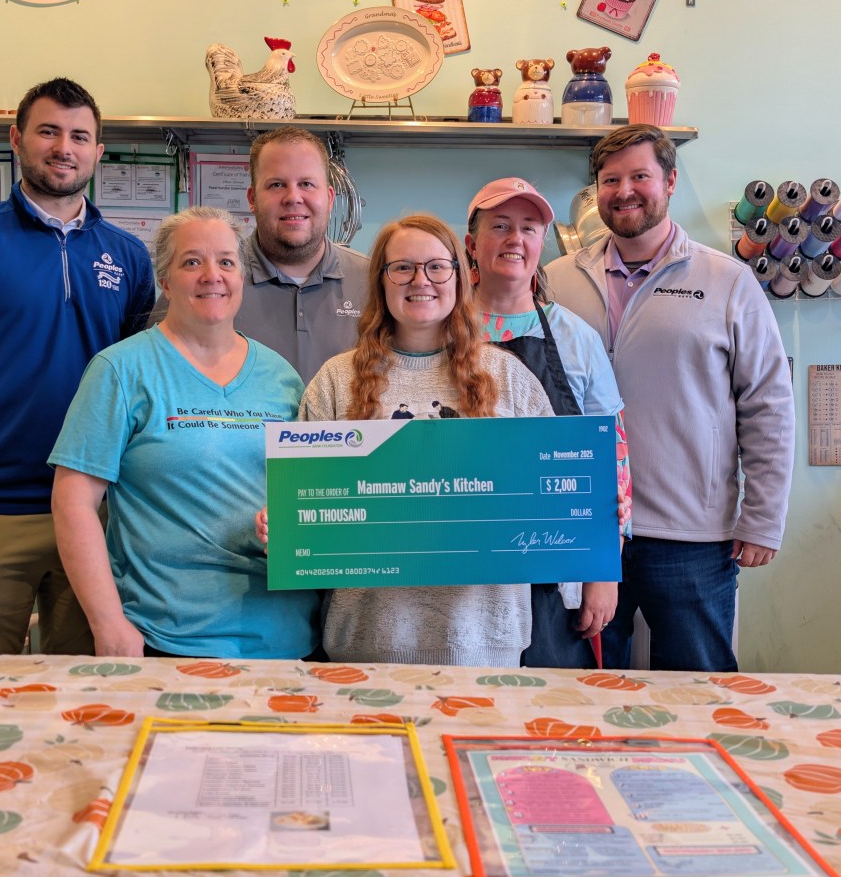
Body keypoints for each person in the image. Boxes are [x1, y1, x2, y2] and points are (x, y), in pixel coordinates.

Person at [0, 77, 156, 656]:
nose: (64, 147)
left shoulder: (128, 254)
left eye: (80, 135)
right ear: (17, 139)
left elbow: (134, 367)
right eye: (48, 131)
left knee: (88, 685)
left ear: (98, 151)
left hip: (93, 509)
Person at [546, 124, 795, 672]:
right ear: (596, 191)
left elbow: (768, 404)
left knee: (699, 693)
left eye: (640, 176)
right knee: (579, 694)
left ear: (671, 181)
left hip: (690, 537)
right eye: (610, 179)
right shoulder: (556, 280)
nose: (625, 190)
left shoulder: (727, 281)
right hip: (581, 528)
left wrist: (762, 518)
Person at [261, 213, 554, 666]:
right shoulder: (336, 381)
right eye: (402, 267)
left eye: (437, 266)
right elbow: (306, 513)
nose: (421, 280)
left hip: (484, 645)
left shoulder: (510, 379)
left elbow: (549, 499)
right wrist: (282, 524)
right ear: (381, 280)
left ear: (459, 276)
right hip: (366, 646)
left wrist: (591, 506)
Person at [49, 207, 319, 659]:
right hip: (168, 640)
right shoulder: (120, 371)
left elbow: (312, 494)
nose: (211, 275)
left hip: (290, 641)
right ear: (166, 281)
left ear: (241, 277)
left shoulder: (282, 377)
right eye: (192, 262)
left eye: (226, 262)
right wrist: (109, 623)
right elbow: (72, 502)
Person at [466, 177, 630, 667]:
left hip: (557, 571)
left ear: (541, 243)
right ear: (472, 245)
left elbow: (612, 457)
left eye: (529, 228)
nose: (516, 239)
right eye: (501, 226)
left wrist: (605, 571)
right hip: (462, 567)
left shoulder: (575, 337)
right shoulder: (442, 330)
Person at [151, 126, 368, 383]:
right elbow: (156, 375)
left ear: (330, 198)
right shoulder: (205, 283)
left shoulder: (373, 282)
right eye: (276, 185)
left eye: (307, 184)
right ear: (252, 198)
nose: (293, 197)